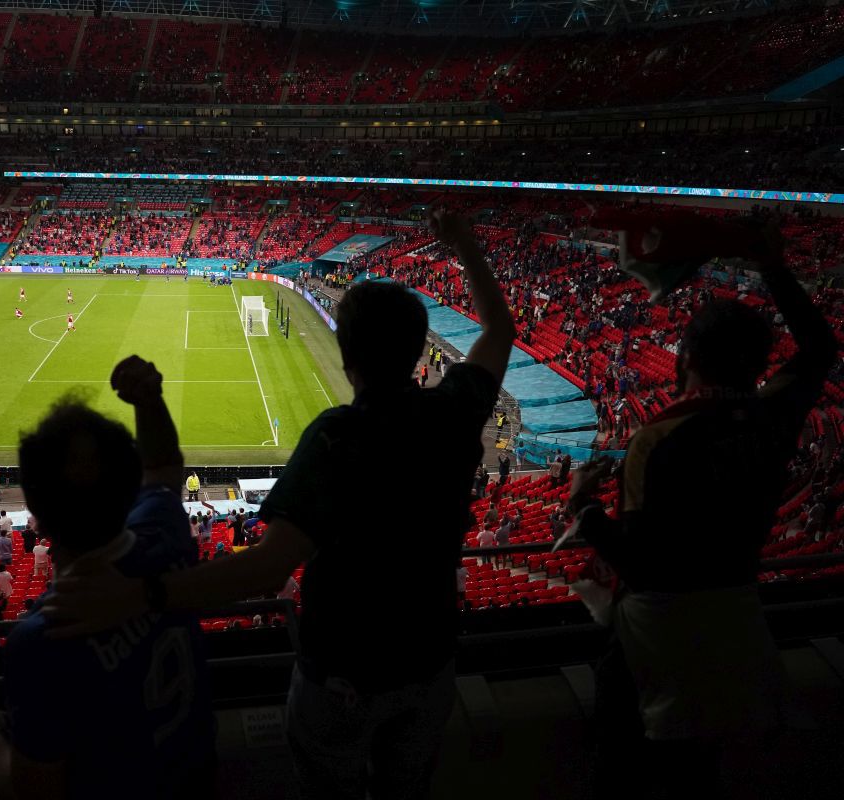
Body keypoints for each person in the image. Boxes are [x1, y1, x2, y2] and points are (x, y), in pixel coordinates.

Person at [40, 212, 514, 800]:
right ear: (418, 350)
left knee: (328, 783)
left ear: (346, 356)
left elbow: (269, 568)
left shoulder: (337, 437)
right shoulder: (456, 412)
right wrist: (467, 244)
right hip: (434, 660)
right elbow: (499, 330)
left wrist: (142, 595)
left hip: (345, 673)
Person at [567, 223, 836, 799]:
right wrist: (772, 267)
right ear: (761, 361)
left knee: (629, 769)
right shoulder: (771, 419)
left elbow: (641, 564)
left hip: (657, 643)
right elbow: (820, 349)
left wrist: (585, 508)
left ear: (685, 354)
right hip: (738, 619)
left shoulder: (659, 438)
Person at [0, 355, 215, 799]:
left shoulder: (44, 638)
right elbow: (163, 469)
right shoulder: (165, 534)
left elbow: (35, 789)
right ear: (128, 490)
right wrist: (148, 399)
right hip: (196, 776)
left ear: (37, 518)